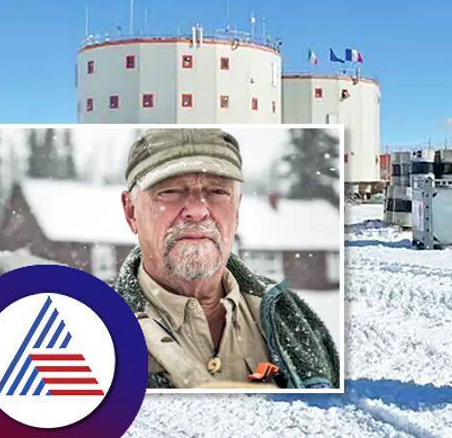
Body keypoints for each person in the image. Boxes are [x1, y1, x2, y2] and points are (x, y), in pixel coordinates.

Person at [114, 128, 338, 389]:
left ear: (237, 209)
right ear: (131, 211)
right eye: (170, 190)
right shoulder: (96, 333)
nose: (197, 210)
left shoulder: (290, 316)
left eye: (218, 192)